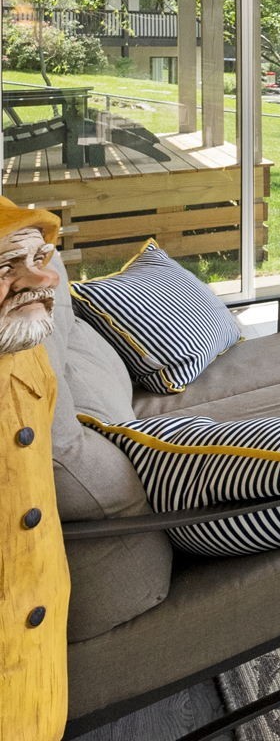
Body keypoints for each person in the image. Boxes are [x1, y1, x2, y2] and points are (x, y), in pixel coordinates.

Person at [0, 196, 67, 741]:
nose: (40, 277)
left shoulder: (27, 350)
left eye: (41, 255)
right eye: (4, 267)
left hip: (39, 641)